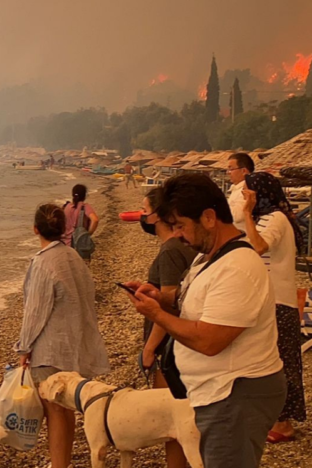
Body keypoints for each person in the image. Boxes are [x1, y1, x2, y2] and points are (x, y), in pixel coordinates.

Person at [126, 174, 285, 468]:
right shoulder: (208, 257)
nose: (177, 235)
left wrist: (157, 315)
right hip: (217, 392)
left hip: (235, 394)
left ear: (209, 218)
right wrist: (161, 299)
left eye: (181, 226)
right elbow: (199, 305)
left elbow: (210, 340)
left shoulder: (238, 267)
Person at [17, 205, 109, 468]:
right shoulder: (73, 257)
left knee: (54, 410)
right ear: (65, 229)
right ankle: (62, 462)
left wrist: (24, 348)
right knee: (65, 407)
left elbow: (35, 311)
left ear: (35, 230)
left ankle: (58, 464)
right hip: (75, 342)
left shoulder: (43, 262)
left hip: (50, 347)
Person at [241, 172, 306, 443]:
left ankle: (284, 423)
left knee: (282, 361)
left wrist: (246, 214)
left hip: (279, 301)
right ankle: (275, 418)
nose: (243, 196)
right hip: (271, 299)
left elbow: (258, 246)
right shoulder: (269, 218)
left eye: (247, 192)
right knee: (270, 359)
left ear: (259, 193)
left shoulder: (275, 219)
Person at [138, 188, 198, 468]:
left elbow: (169, 303)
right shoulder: (180, 247)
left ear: (157, 216)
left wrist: (149, 348)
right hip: (180, 342)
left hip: (169, 347)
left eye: (145, 210)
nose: (142, 216)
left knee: (172, 419)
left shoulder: (170, 251)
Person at [62, 184, 98, 259]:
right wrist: (88, 233)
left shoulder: (66, 207)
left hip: (64, 244)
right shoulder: (84, 207)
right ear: (84, 195)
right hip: (79, 245)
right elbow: (95, 220)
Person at [226, 152, 255, 229]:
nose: (228, 172)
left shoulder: (246, 189)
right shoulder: (236, 188)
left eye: (231, 169)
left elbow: (237, 216)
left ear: (243, 171)